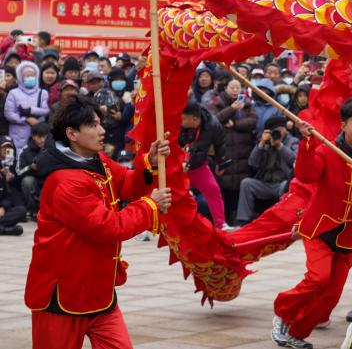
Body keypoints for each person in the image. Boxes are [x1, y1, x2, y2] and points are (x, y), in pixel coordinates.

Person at [24, 94, 171, 348]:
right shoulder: (65, 182)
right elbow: (109, 227)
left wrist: (150, 163)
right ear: (72, 134)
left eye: (100, 123)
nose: (102, 130)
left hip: (98, 290)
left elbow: (127, 183)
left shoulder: (97, 160)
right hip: (62, 295)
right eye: (93, 125)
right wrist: (150, 206)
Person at [272, 99, 352, 349]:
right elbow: (306, 175)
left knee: (331, 295)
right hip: (319, 228)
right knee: (318, 279)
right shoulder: (327, 150)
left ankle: (297, 332)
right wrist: (307, 143)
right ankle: (283, 312)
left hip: (350, 237)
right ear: (343, 125)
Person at [209, 77, 258, 220]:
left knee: (239, 188)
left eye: (238, 87)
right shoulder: (217, 103)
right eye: (232, 87)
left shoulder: (247, 105)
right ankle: (222, 219)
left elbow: (253, 121)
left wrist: (235, 124)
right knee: (223, 187)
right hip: (224, 151)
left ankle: (237, 218)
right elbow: (214, 120)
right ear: (225, 89)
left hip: (243, 153)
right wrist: (232, 109)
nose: (235, 90)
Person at [236, 117, 296, 226]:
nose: (277, 134)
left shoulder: (293, 141)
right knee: (246, 183)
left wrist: (280, 146)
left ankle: (283, 221)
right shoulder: (266, 142)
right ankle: (243, 221)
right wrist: (261, 144)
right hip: (265, 183)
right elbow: (252, 163)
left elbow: (295, 160)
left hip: (282, 183)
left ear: (285, 129)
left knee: (286, 186)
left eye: (280, 130)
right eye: (275, 131)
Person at [179, 102, 228, 228]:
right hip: (177, 167)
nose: (181, 121)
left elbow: (220, 144)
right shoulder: (177, 123)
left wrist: (220, 163)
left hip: (198, 165)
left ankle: (221, 224)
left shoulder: (213, 125)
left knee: (213, 190)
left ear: (194, 119)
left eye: (184, 119)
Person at [4, 60, 50, 155]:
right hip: (17, 134)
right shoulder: (13, 93)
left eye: (32, 76)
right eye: (27, 76)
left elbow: (46, 110)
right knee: (18, 158)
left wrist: (31, 110)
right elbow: (8, 113)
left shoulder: (43, 93)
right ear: (21, 77)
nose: (30, 78)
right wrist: (25, 119)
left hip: (37, 133)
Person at [17, 122, 50, 218]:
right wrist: (30, 167)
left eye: (45, 137)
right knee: (27, 181)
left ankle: (48, 211)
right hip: (34, 183)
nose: (42, 140)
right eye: (39, 137)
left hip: (48, 181)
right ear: (33, 137)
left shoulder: (54, 148)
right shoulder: (25, 150)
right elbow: (18, 172)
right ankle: (32, 210)